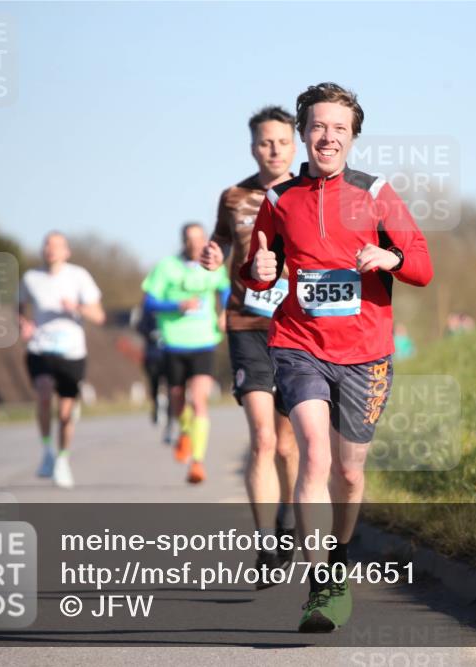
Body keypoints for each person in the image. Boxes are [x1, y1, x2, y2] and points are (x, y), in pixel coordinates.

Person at [240, 82, 432, 632]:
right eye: (318, 126)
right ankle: (319, 585)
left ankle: (339, 561)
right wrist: (258, 270)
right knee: (314, 458)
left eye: (339, 129)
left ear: (352, 137)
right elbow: (257, 267)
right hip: (298, 346)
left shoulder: (375, 193)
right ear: (304, 132)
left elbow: (422, 265)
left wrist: (388, 255)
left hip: (365, 354)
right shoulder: (279, 201)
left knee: (349, 474)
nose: (328, 136)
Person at [201, 106, 300, 584]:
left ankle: (286, 518)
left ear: (294, 145)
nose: (274, 149)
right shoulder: (235, 196)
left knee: (287, 444)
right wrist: (211, 253)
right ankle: (265, 544)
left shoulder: (310, 193)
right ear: (253, 146)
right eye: (266, 142)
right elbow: (221, 243)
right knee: (262, 437)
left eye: (282, 141)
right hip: (247, 325)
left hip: (298, 329)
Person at [142, 222, 230, 484]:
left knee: (199, 400)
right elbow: (149, 302)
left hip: (204, 342)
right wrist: (176, 304)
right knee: (178, 399)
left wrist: (225, 311)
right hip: (173, 343)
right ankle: (184, 432)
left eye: (199, 238)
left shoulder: (214, 262)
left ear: (205, 239)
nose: (195, 243)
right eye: (190, 239)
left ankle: (198, 463)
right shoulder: (166, 266)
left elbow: (224, 288)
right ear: (183, 241)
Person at [18, 231, 105, 489]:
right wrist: (22, 324)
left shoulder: (79, 276)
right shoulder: (30, 278)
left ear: (66, 252)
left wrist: (76, 308)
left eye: (56, 246)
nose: (50, 250)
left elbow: (99, 316)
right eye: (46, 245)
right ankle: (47, 452)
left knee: (66, 413)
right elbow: (18, 308)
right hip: (40, 347)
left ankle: (63, 460)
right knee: (44, 394)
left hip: (72, 350)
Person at [135, 303, 172, 435]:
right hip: (152, 356)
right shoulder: (148, 310)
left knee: (171, 386)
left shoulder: (173, 307)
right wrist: (150, 333)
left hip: (169, 355)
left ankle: (170, 415)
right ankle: (156, 406)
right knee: (154, 384)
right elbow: (139, 327)